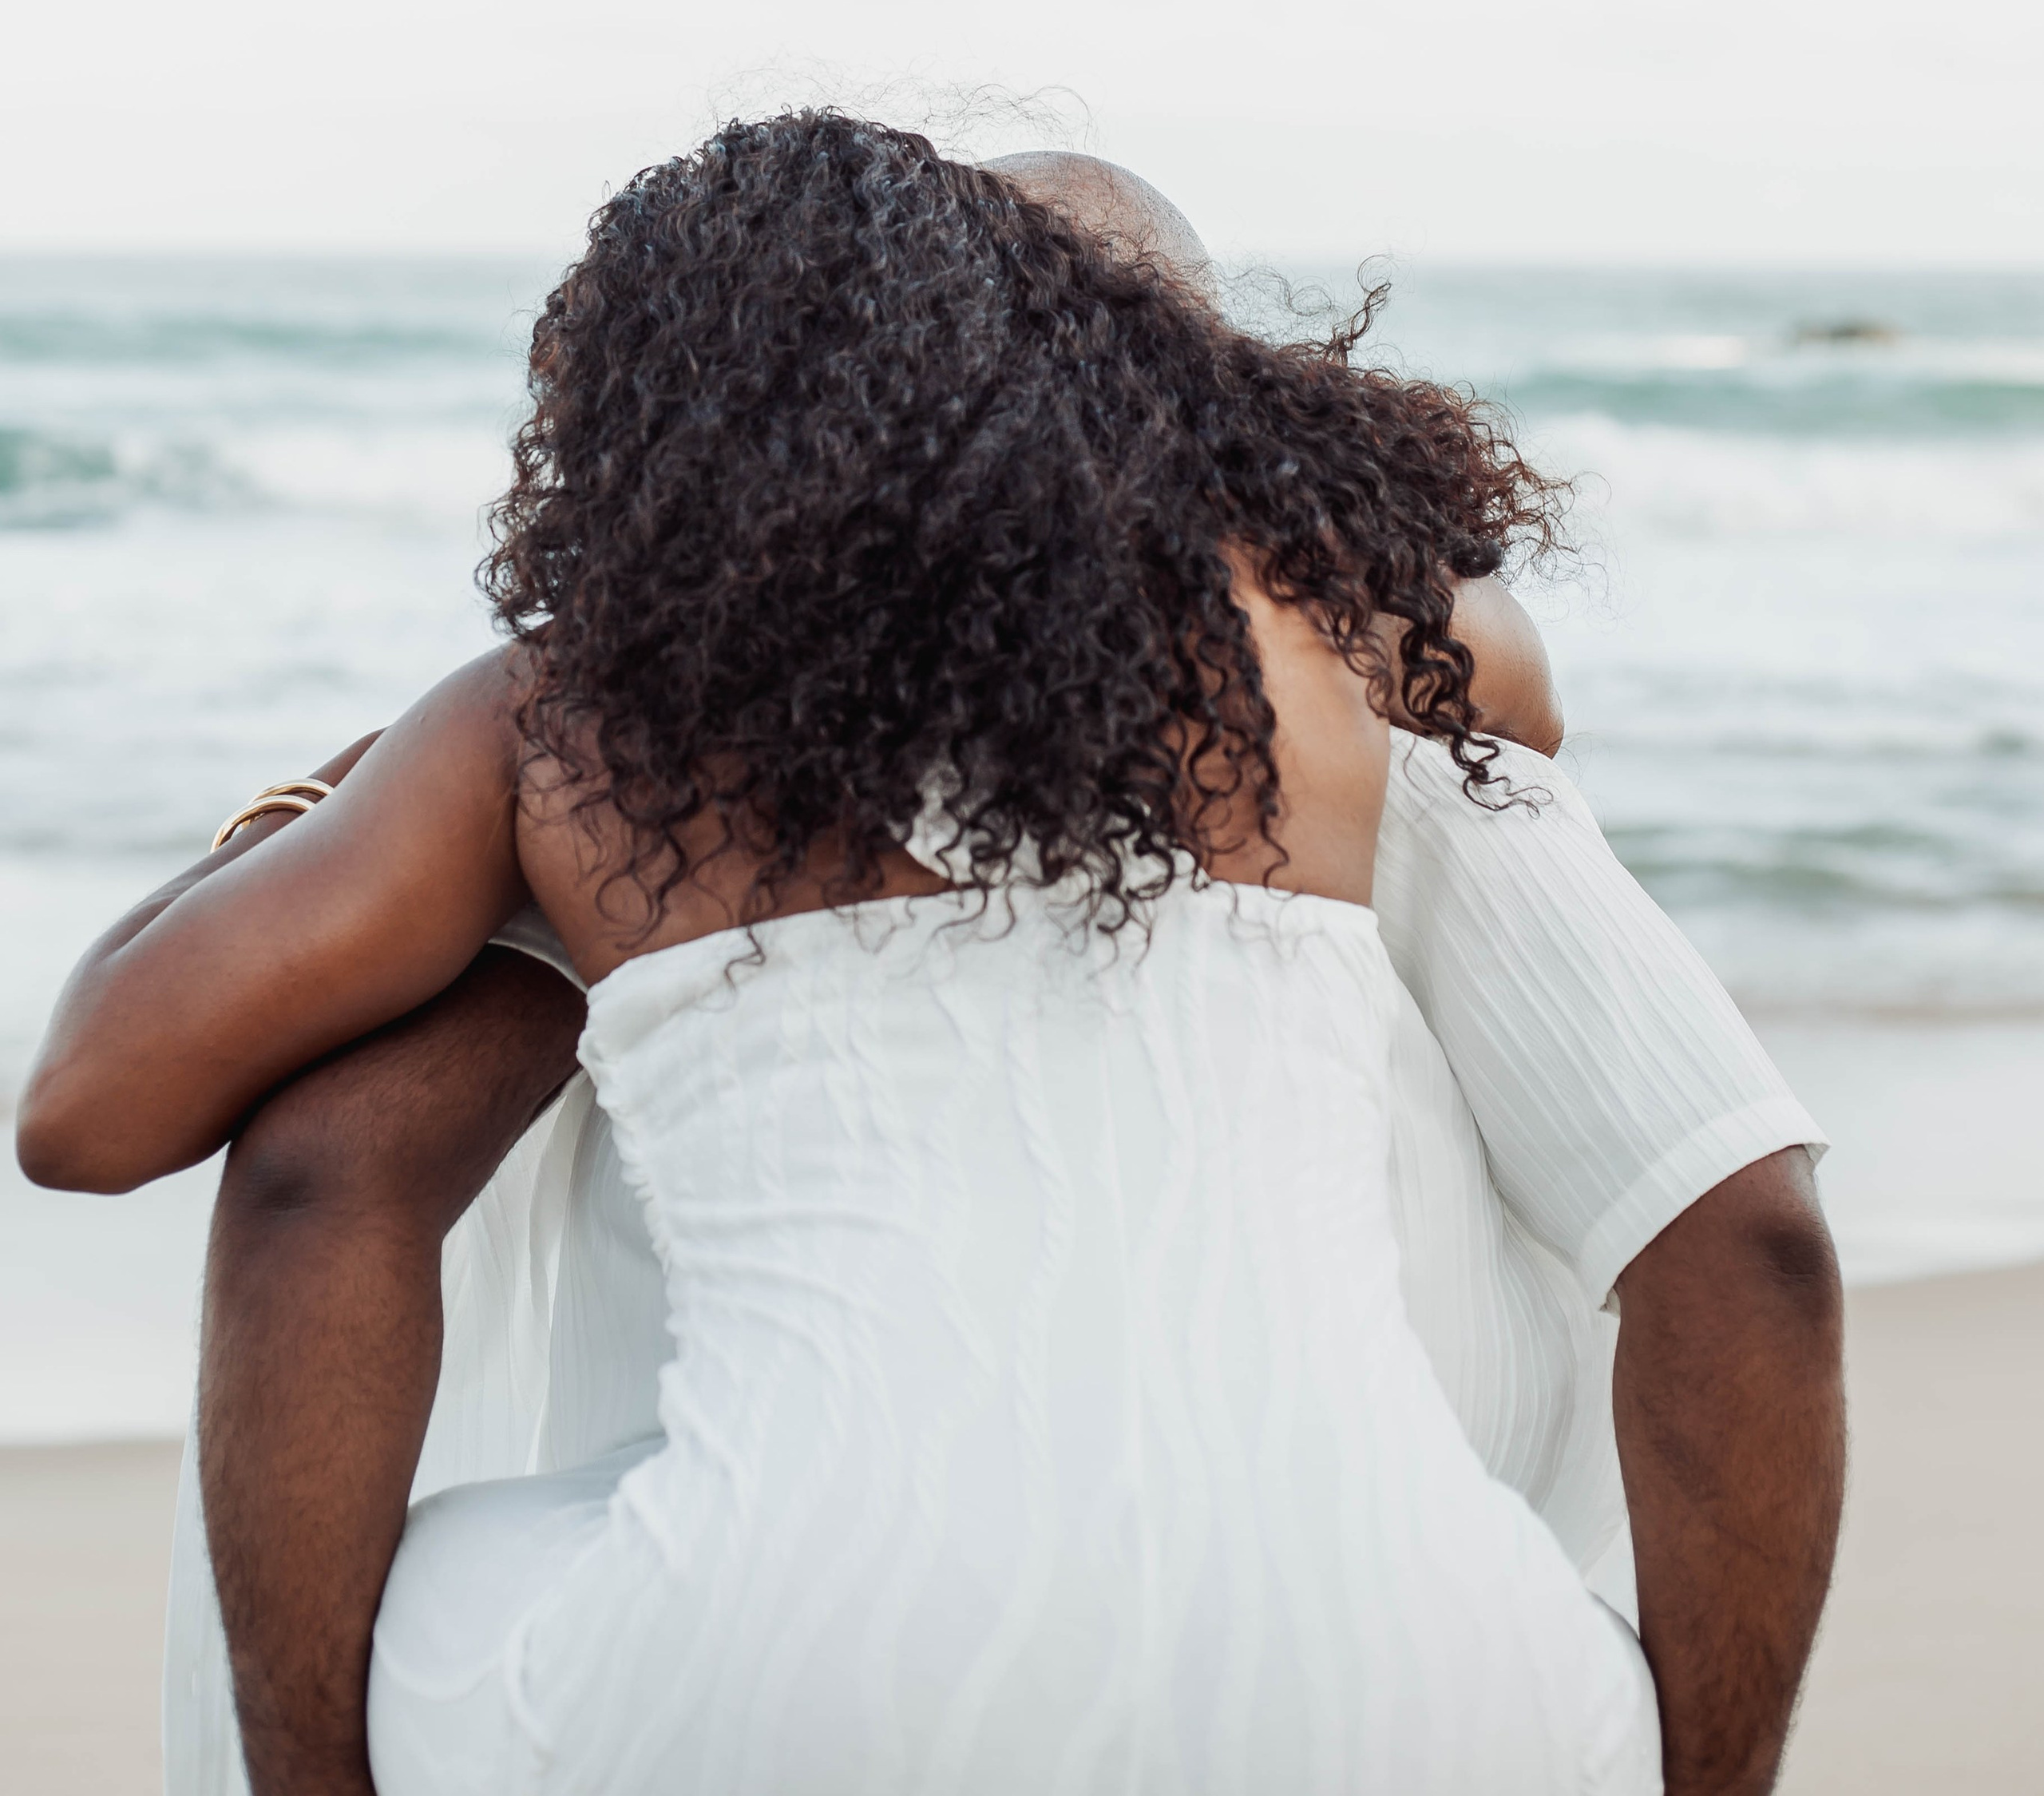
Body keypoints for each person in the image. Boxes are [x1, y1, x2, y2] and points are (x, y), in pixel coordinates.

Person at [19, 121, 1844, 1795]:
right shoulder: (1337, 653)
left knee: (425, 1452)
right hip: (1428, 1691)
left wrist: (321, 802)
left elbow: (95, 1108)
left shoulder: (569, 729)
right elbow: (1737, 1212)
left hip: (755, 1682)